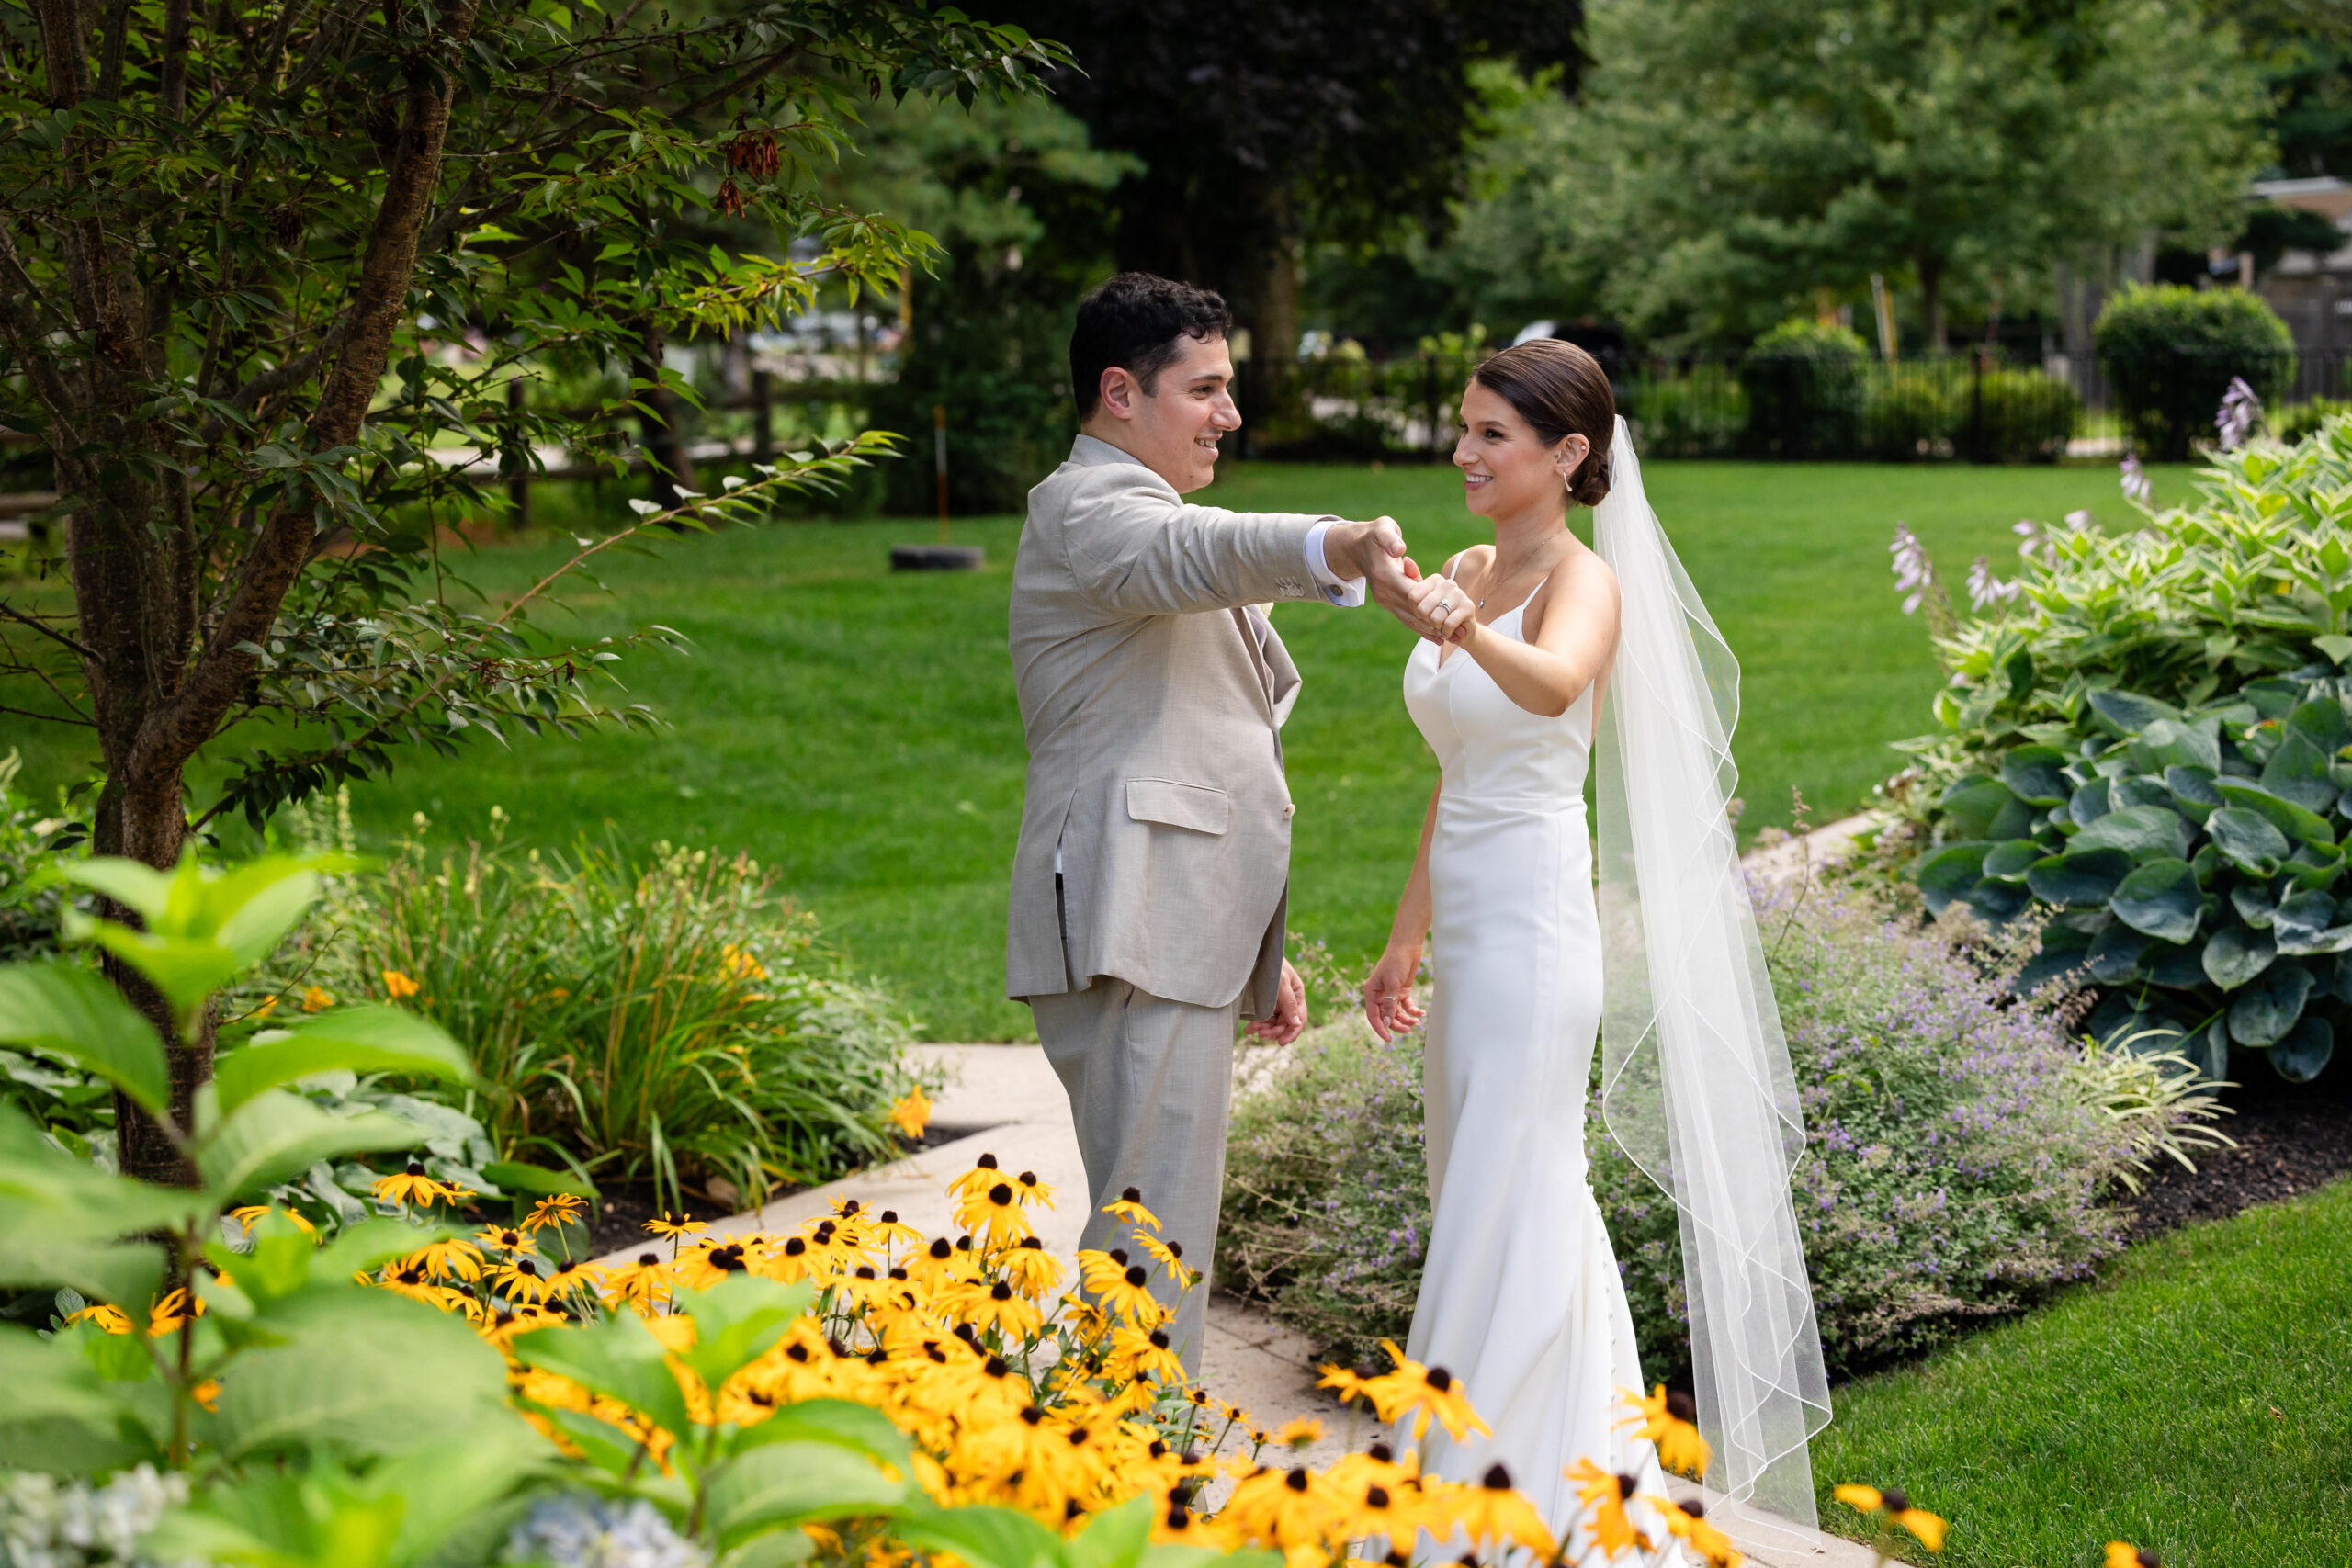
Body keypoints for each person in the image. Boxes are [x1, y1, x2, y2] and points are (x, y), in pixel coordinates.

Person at [1363, 340, 1831, 1551]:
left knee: (1515, 1187)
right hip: (1465, 928)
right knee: (1476, 1181)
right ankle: (1544, 1472)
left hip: (1531, 923)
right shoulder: (1469, 564)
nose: (1463, 452)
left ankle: (1490, 1499)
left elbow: (1555, 688)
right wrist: (1403, 939)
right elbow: (1453, 771)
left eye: (1490, 435)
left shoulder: (1584, 582)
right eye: (1461, 428)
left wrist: (1465, 628)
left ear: (1568, 455)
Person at [1006, 271, 1432, 1371]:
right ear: (1119, 393)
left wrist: (1253, 944)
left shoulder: (1149, 513)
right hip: (1127, 915)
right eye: (1205, 389)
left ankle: (1135, 1473)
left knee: (1160, 1222)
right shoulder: (1086, 508)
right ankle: (1142, 1491)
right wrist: (1335, 544)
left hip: (1167, 919)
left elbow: (1205, 732)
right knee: (1149, 1235)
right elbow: (1189, 559)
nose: (1230, 416)